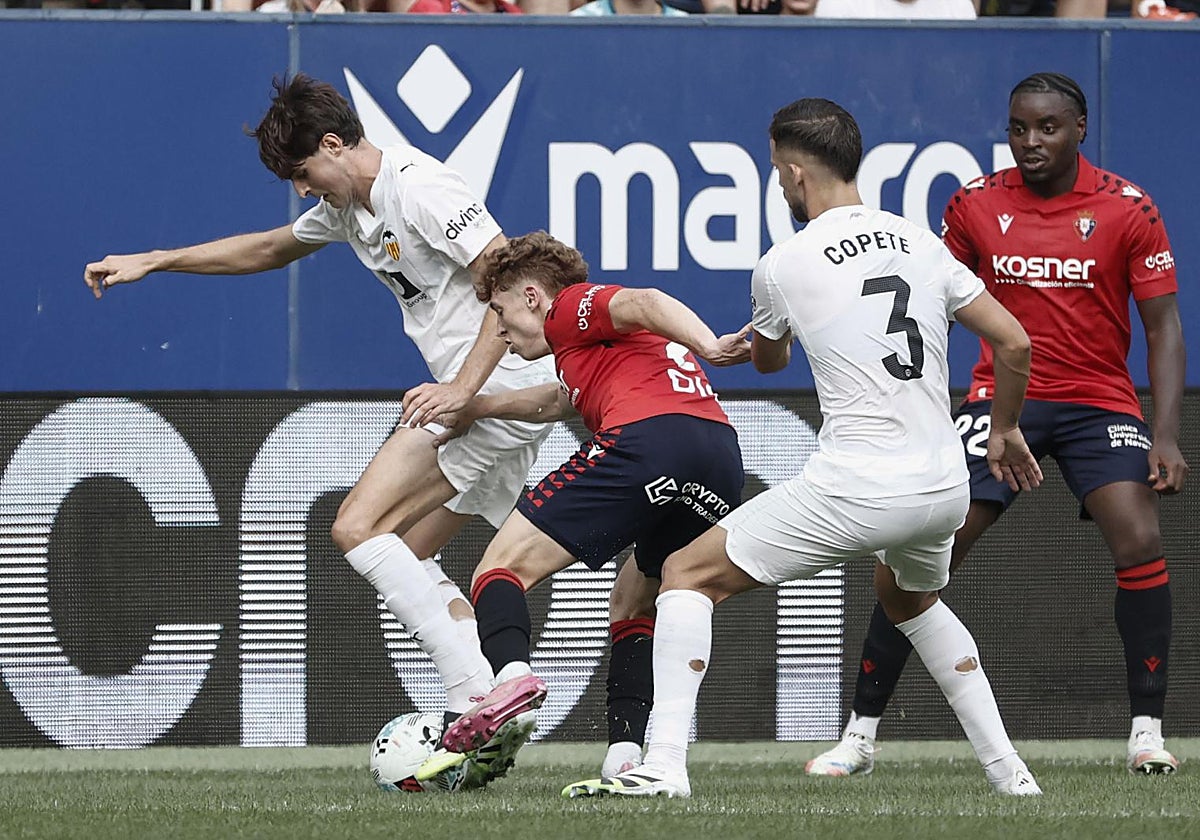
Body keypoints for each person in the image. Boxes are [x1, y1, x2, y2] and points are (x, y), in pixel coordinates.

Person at [563, 97, 1045, 799]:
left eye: (774, 172)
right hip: (944, 486)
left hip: (859, 485)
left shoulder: (783, 262)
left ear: (794, 174)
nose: (778, 185)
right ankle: (1012, 777)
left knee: (686, 573)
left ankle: (662, 765)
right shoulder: (921, 242)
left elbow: (767, 362)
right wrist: (1002, 429)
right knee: (910, 598)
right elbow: (1015, 342)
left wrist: (750, 341)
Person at [83, 74, 555, 787]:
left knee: (357, 526)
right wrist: (157, 260)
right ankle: (499, 699)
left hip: (493, 390)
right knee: (406, 552)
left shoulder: (421, 188)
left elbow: (512, 277)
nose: (303, 190)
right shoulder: (347, 208)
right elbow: (269, 248)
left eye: (305, 173)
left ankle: (473, 701)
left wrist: (462, 391)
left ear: (334, 146)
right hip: (483, 396)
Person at [808, 72, 1186, 779]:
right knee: (923, 548)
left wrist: (1163, 434)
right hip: (999, 401)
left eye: (1047, 128)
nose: (1030, 141)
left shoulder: (1129, 208)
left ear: (1080, 129)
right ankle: (859, 734)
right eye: (1018, 128)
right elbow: (930, 307)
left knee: (1139, 537)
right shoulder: (975, 205)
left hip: (1099, 402)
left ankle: (1145, 731)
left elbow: (1162, 326)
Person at [416, 231, 751, 779]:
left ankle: (510, 682)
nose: (497, 329)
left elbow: (642, 300)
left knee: (497, 570)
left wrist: (710, 345)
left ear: (531, 296)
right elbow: (554, 400)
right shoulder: (590, 352)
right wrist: (477, 408)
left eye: (499, 310)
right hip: (718, 456)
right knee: (635, 601)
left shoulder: (569, 307)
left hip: (648, 441)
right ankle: (627, 757)